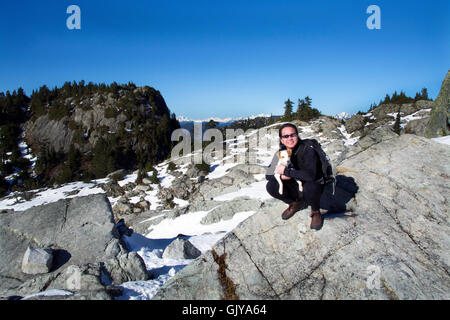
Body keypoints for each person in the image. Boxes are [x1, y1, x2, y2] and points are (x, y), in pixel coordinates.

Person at [266, 123, 325, 230]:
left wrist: (287, 172)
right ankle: (296, 203)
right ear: (281, 140)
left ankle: (315, 211)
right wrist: (282, 177)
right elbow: (268, 174)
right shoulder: (280, 153)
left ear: (297, 135)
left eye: (293, 135)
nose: (290, 138)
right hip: (296, 187)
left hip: (312, 186)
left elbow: (311, 175)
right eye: (286, 136)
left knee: (311, 185)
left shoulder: (308, 150)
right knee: (271, 186)